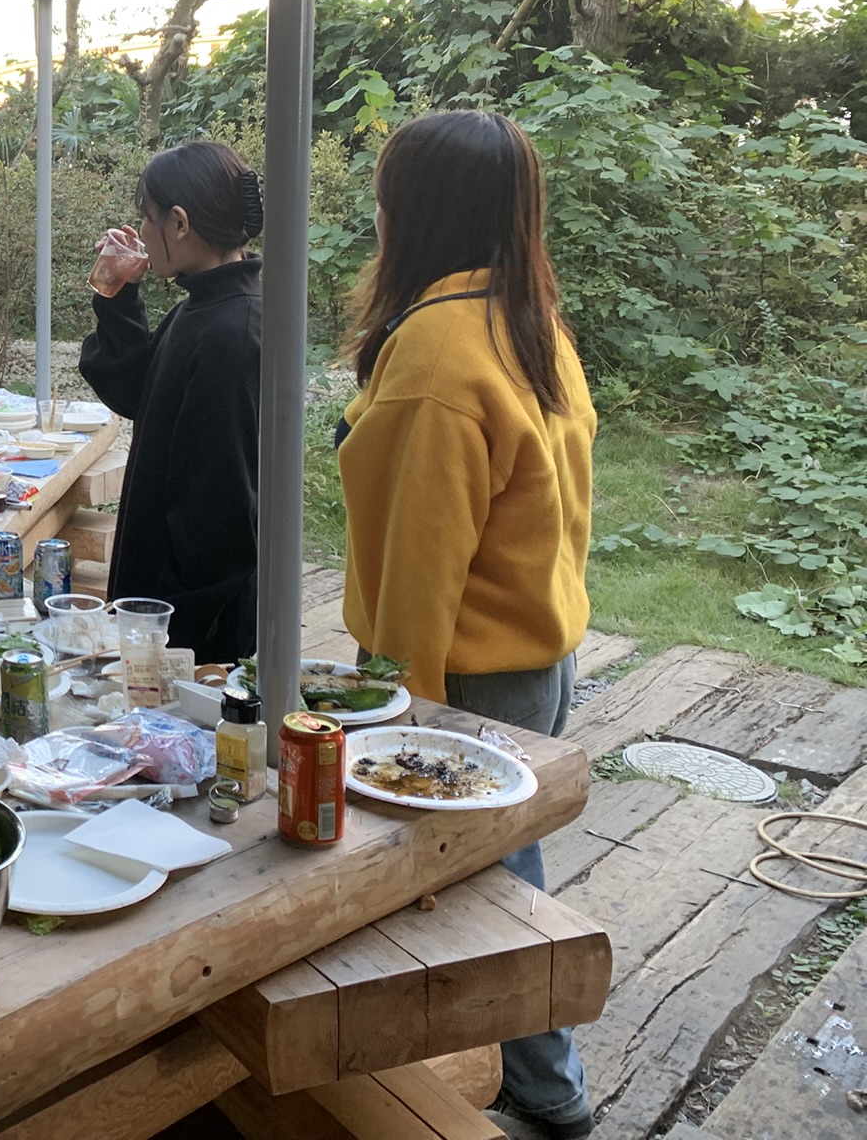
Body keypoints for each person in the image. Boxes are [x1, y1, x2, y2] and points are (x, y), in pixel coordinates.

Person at [335, 109, 597, 1140]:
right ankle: (535, 1077)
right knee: (504, 869)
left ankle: (546, 1092)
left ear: (411, 212)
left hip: (465, 674)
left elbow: (421, 559)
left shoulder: (439, 355)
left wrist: (395, 707)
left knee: (487, 885)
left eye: (383, 195)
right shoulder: (528, 321)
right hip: (537, 654)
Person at [77, 141, 264, 662]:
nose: (140, 230)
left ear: (179, 223)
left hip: (190, 635)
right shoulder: (203, 309)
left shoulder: (233, 333)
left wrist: (162, 637)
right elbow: (137, 391)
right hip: (160, 612)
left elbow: (219, 519)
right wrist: (118, 292)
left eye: (147, 216)